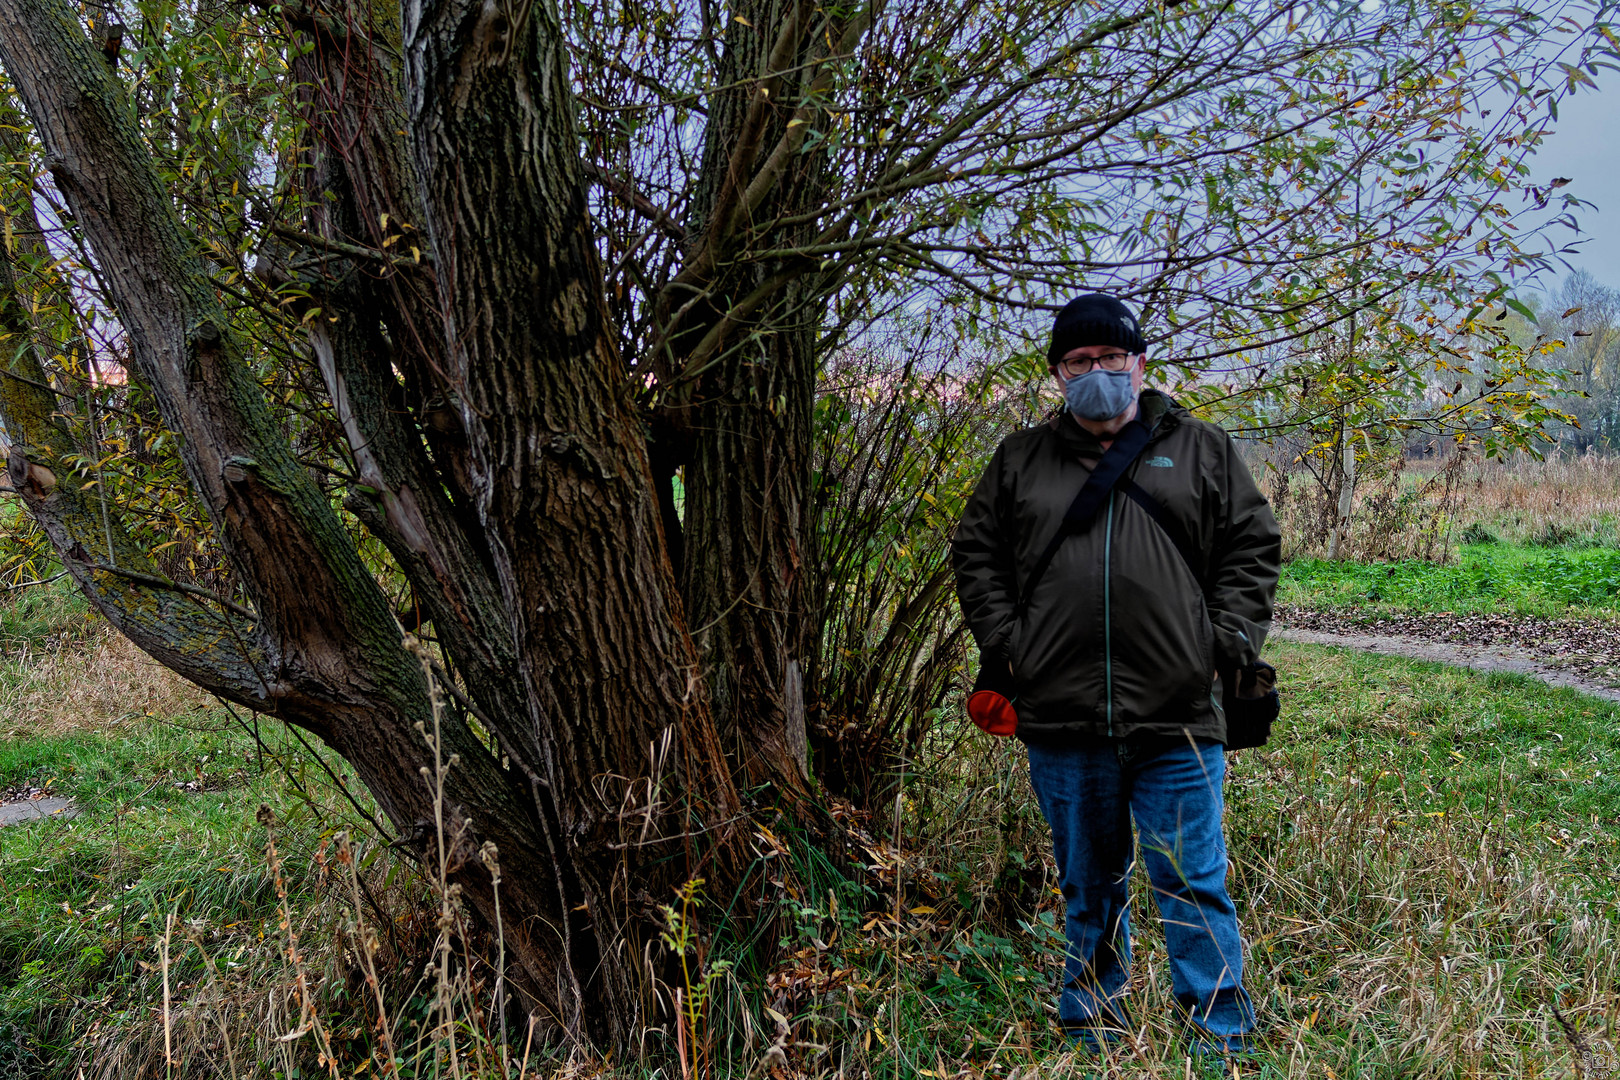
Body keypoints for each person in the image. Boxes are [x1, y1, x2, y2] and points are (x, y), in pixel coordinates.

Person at [950, 293, 1280, 1055]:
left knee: (1193, 884)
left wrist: (1222, 639)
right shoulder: (1020, 460)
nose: (1096, 371)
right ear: (1059, 374)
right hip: (1062, 720)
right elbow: (977, 554)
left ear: (1140, 363)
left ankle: (1220, 1042)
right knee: (1089, 890)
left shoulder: (1199, 449)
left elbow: (1252, 547)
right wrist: (1010, 640)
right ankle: (1092, 1034)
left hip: (1178, 718)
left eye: (1110, 358)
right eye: (1079, 361)